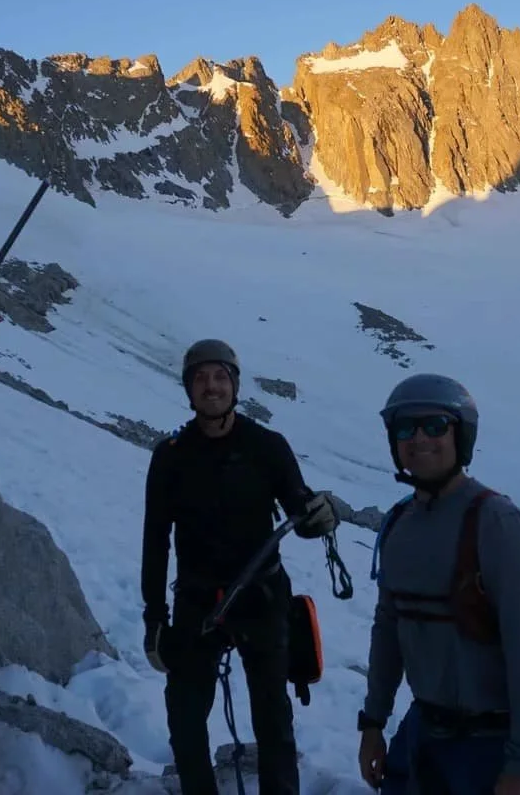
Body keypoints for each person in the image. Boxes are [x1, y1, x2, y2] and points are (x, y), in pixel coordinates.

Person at [140, 338, 339, 795]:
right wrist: (154, 617)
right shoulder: (170, 456)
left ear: (234, 385)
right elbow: (155, 541)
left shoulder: (266, 446)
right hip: (197, 600)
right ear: (188, 388)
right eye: (200, 378)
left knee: (273, 717)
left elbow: (298, 506)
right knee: (185, 716)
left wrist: (316, 515)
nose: (211, 386)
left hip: (261, 598)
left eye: (220, 377)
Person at [358, 374, 520, 795]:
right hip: (422, 734)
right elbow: (388, 630)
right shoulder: (399, 525)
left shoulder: (497, 522)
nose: (419, 438)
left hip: (492, 747)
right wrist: (374, 723)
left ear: (462, 436)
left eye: (435, 425)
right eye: (405, 428)